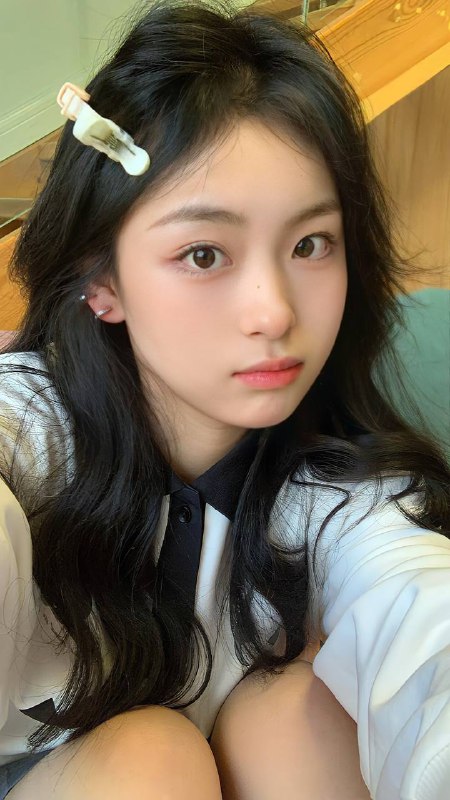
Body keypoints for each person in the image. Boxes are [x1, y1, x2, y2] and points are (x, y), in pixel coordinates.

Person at [1, 0, 449, 797]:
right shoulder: (30, 432)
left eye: (310, 244)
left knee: (293, 714)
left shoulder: (339, 492)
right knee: (150, 757)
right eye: (204, 253)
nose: (274, 312)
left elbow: (423, 624)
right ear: (102, 282)